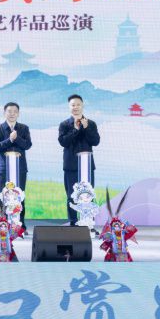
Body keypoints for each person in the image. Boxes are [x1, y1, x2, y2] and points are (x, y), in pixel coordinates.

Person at [58, 94, 100, 225]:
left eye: (78, 104)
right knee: (72, 195)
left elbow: (95, 141)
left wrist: (86, 128)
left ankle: (88, 223)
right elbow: (63, 142)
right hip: (71, 166)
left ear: (82, 106)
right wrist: (75, 130)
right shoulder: (65, 124)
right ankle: (73, 223)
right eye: (73, 105)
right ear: (69, 107)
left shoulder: (91, 123)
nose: (75, 107)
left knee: (88, 195)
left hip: (87, 166)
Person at [0, 101, 32, 225]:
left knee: (19, 196)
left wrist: (17, 138)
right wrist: (10, 140)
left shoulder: (24, 128)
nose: (12, 114)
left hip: (20, 169)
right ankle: (1, 224)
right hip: (3, 169)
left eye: (15, 111)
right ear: (4, 113)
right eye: (9, 111)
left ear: (18, 114)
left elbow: (27, 145)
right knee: (2, 197)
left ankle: (20, 225)